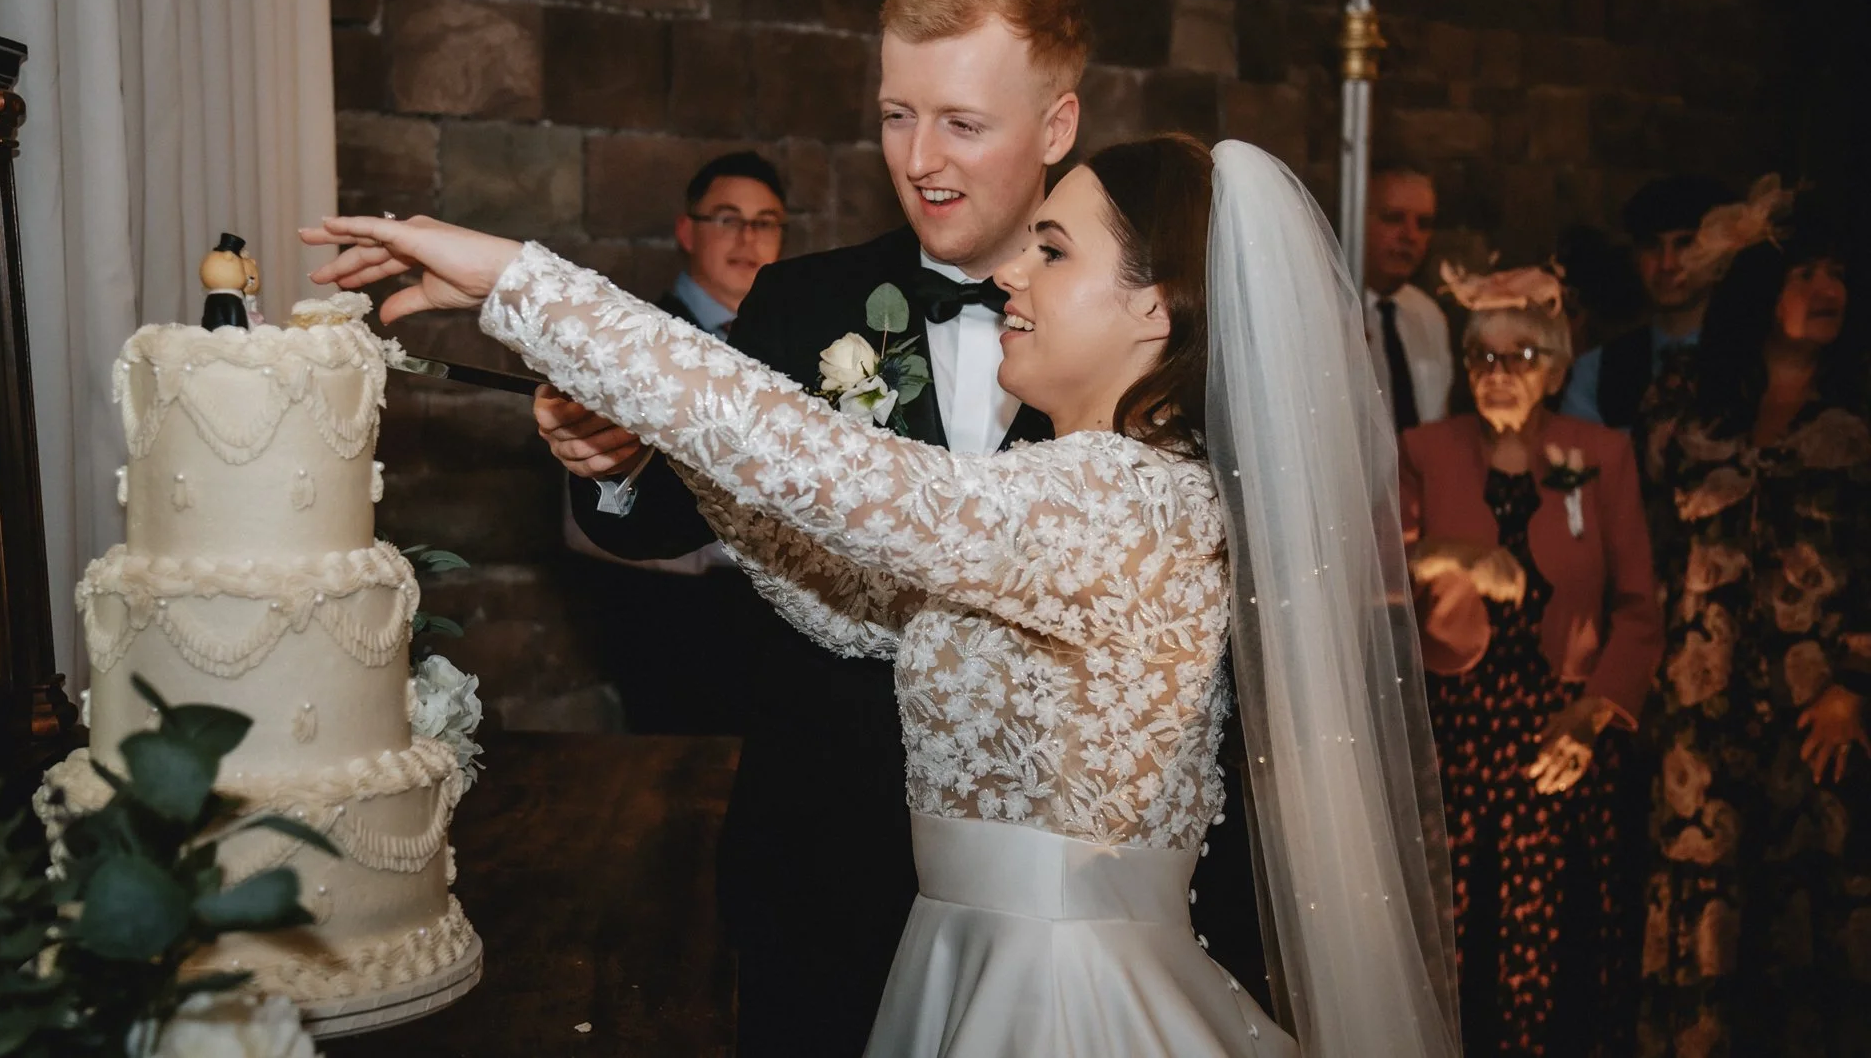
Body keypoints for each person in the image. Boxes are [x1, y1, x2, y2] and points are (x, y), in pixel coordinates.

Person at [303, 133, 1462, 1057]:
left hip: (1061, 999)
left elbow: (849, 482)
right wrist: (661, 448)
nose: (1010, 269)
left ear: (1152, 309)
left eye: (1051, 250)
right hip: (969, 957)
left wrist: (519, 280)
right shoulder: (1069, 493)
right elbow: (852, 600)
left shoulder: (1127, 500)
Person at [529, 0, 1265, 1051]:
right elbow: (697, 508)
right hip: (817, 861)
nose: (918, 162)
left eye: (962, 124)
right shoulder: (799, 297)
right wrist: (619, 464)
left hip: (1067, 916)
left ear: (1055, 125)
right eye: (894, 116)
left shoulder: (1150, 419)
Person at [1402, 263, 1662, 1057]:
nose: (1496, 373)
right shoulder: (1423, 449)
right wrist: (1450, 554)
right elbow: (1364, 572)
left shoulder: (1603, 453)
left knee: (1557, 948)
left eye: (1518, 357)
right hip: (1457, 733)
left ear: (1554, 368)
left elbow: (1640, 609)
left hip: (1564, 731)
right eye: (1481, 356)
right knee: (1453, 938)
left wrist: (1591, 716)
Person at [1635, 196, 1870, 1058]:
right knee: (1703, 942)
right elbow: (1640, 553)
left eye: (1839, 272)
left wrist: (1854, 687)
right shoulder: (1686, 411)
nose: (1827, 287)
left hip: (1818, 740)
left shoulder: (1860, 422)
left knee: (1806, 952)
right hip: (1695, 736)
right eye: (1805, 270)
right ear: (1761, 286)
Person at [558, 151, 787, 734]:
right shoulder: (633, 337)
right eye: (728, 217)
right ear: (688, 231)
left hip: (776, 622)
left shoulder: (794, 340)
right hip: (664, 611)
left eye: (765, 222)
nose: (747, 237)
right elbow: (583, 498)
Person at [1560, 174, 1735, 430]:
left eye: (1685, 243)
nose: (1667, 264)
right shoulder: (1599, 369)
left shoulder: (1750, 356)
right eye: (1652, 245)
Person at [1363, 167, 1453, 430]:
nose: (1410, 236)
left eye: (1423, 224)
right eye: (1393, 218)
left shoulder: (1429, 316)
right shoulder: (1323, 312)